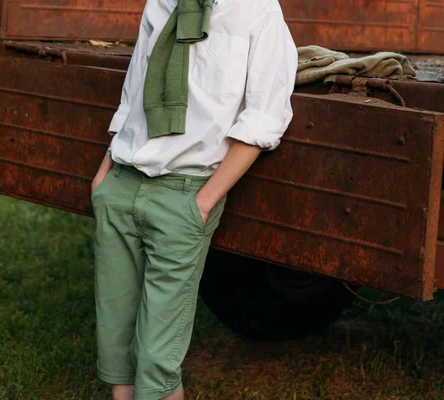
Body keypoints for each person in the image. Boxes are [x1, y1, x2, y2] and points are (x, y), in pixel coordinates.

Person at [90, 0, 298, 398]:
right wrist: (105, 174)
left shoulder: (258, 11)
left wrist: (202, 203)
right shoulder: (160, 3)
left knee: (157, 360)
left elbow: (264, 117)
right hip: (122, 182)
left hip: (184, 196)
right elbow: (133, 93)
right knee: (116, 347)